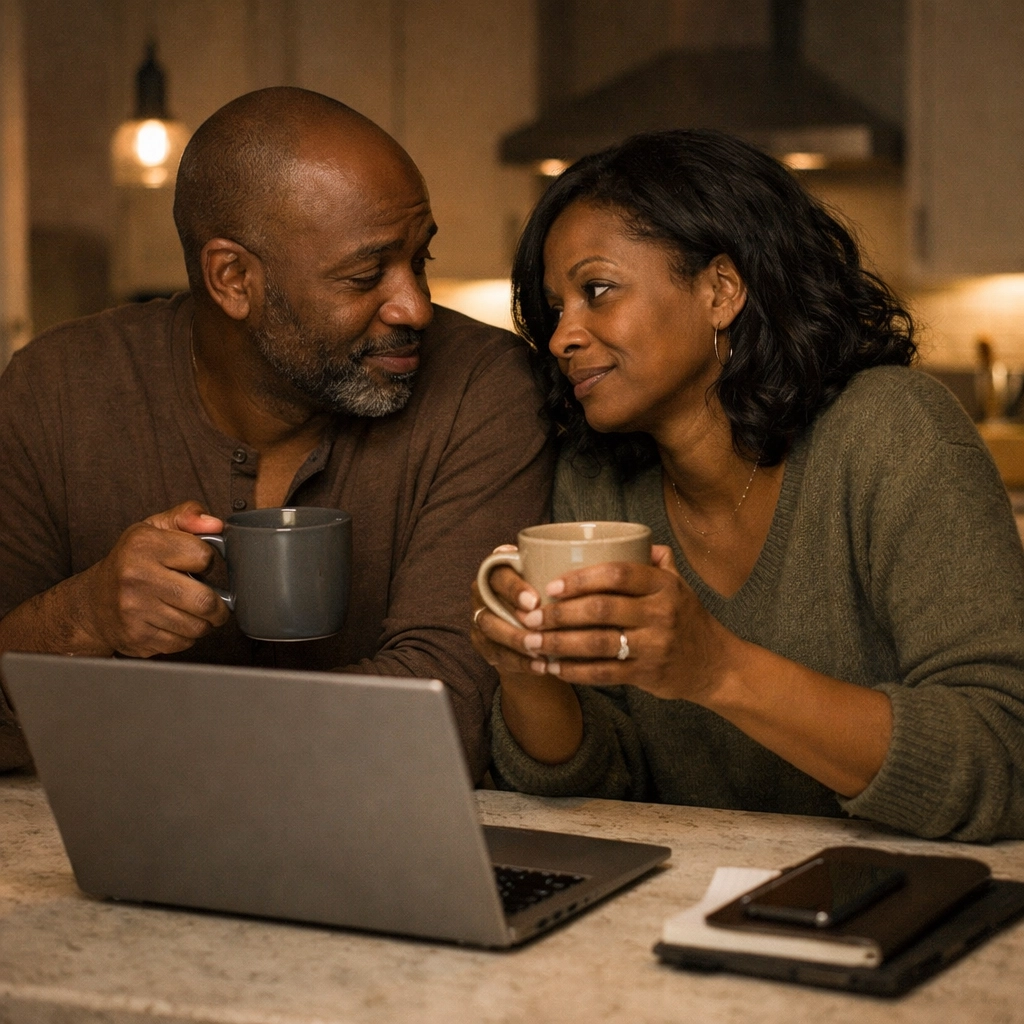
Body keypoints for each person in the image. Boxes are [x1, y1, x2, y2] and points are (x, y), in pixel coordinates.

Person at [472, 129, 1024, 842]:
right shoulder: (596, 484)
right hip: (681, 909)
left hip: (906, 900)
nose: (560, 337)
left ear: (720, 291)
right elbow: (602, 787)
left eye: (596, 291)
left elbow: (1006, 754)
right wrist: (527, 670)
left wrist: (717, 669)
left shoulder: (893, 431)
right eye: (555, 309)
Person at [0, 87, 552, 781]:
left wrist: (116, 717)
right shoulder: (57, 389)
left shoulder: (482, 387)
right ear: (233, 278)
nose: (414, 304)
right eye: (365, 274)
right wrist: (84, 616)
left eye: (421, 260)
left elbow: (443, 712)